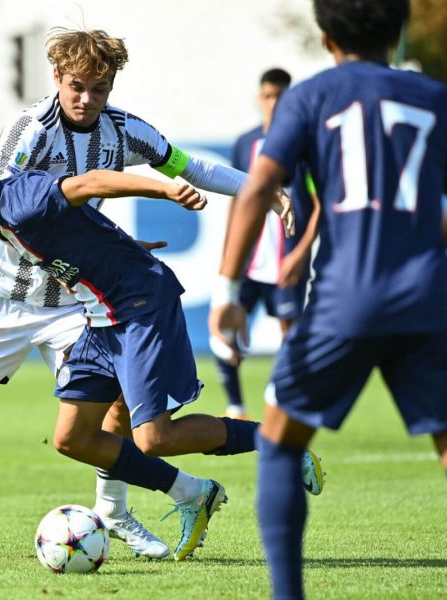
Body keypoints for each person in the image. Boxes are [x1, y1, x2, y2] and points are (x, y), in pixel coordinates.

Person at [0, 27, 298, 561]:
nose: (87, 99)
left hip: (73, 293)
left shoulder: (124, 130)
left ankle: (113, 512)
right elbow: (11, 215)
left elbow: (188, 166)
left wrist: (260, 188)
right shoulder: (27, 133)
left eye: (100, 88)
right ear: (58, 78)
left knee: (115, 410)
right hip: (0, 292)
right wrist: (115, 241)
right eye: (78, 87)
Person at [209, 0, 447, 597]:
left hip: (344, 301)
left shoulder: (310, 98)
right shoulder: (435, 99)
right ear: (398, 31)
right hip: (427, 298)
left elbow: (260, 186)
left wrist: (229, 290)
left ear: (324, 36)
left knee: (281, 441)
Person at [214, 68, 322, 420]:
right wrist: (228, 255)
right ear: (259, 98)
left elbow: (319, 201)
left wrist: (303, 251)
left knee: (290, 335)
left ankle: (280, 401)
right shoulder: (246, 143)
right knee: (225, 327)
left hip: (285, 261)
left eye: (281, 96)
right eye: (268, 95)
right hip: (248, 262)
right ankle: (236, 405)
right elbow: (238, 197)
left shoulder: (305, 146)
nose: (274, 103)